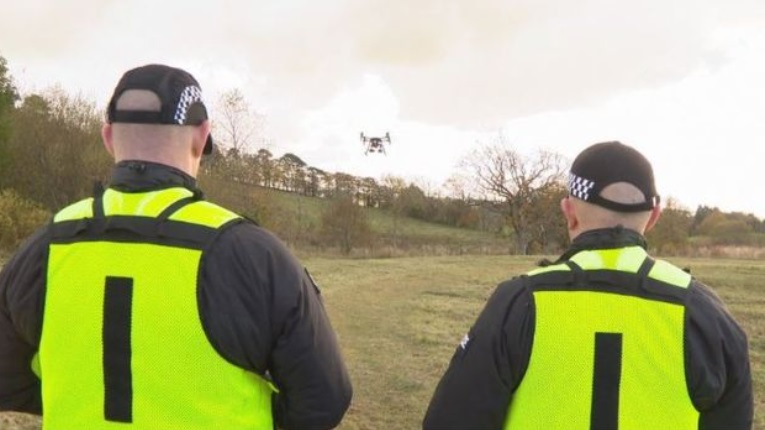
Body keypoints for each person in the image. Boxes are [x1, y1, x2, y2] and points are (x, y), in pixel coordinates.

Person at [0, 64, 352, 429]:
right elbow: (325, 400)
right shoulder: (252, 253)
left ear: (107, 137)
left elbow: (6, 380)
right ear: (201, 138)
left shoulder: (46, 245)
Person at [423, 141, 753, 429]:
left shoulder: (518, 303)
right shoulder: (706, 315)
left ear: (570, 213)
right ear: (654, 218)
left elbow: (450, 421)